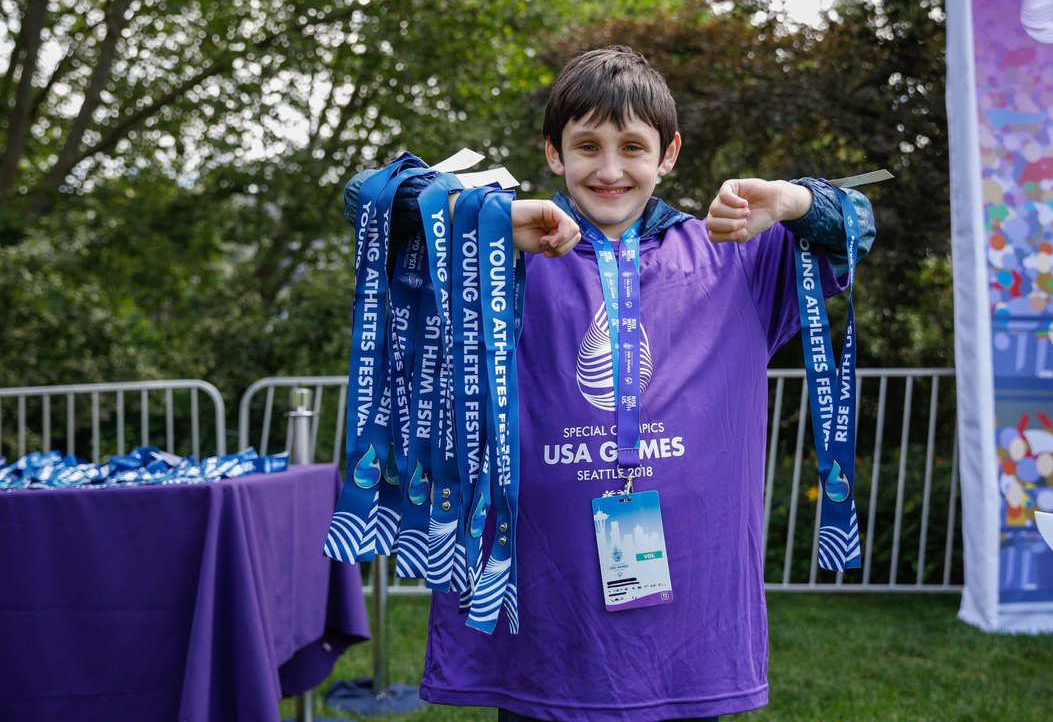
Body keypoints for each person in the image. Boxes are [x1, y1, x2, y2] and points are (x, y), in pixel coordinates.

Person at [344, 45, 875, 722]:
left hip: (686, 627)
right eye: (587, 145)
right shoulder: (506, 248)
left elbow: (856, 225)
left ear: (670, 153)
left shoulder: (732, 253)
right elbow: (364, 196)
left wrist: (792, 198)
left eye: (633, 146)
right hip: (543, 620)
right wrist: (491, 220)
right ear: (554, 153)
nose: (611, 168)